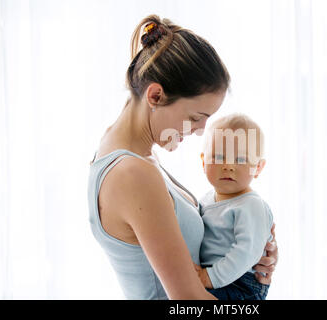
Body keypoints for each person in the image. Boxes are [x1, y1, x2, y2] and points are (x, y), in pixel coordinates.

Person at [87, 14, 278, 300]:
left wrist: (249, 254)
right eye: (196, 117)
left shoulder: (135, 155)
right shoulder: (132, 173)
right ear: (155, 97)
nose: (201, 131)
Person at [194, 113, 273, 300]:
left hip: (240, 284)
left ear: (258, 167)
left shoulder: (251, 205)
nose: (228, 166)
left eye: (240, 160)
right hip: (218, 277)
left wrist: (209, 278)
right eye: (219, 157)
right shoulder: (206, 199)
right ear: (204, 161)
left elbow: (246, 253)